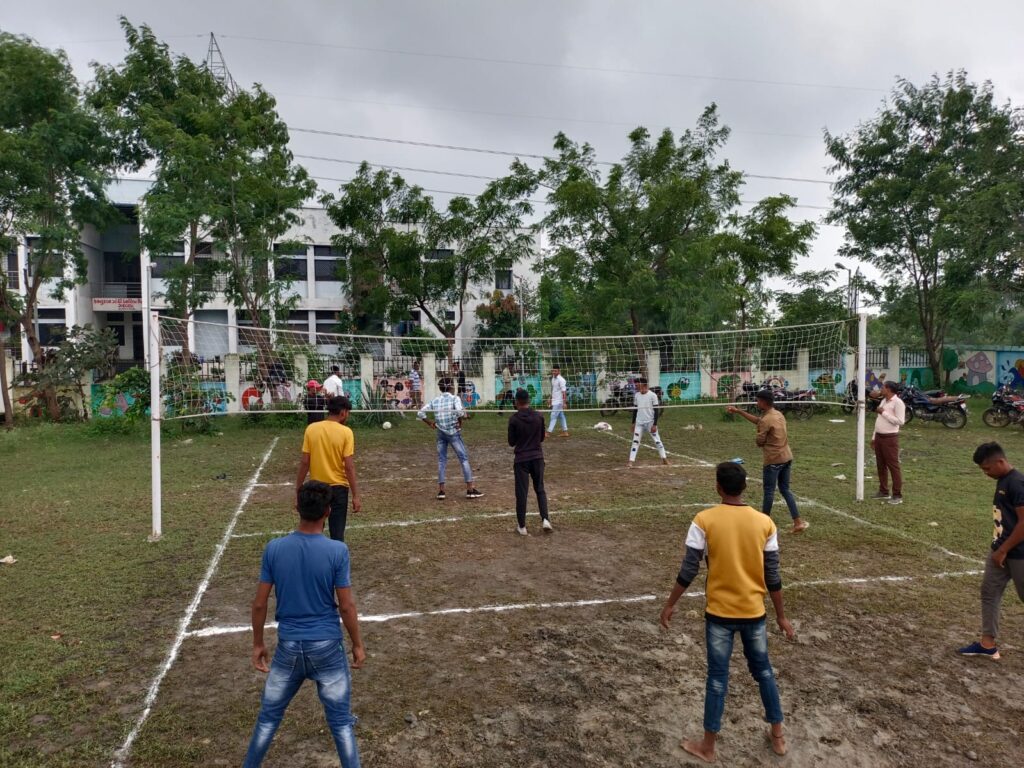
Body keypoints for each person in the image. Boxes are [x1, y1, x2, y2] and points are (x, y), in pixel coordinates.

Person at [659, 462, 795, 763]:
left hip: (719, 615)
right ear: (745, 487)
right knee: (764, 671)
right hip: (754, 613)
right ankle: (777, 735)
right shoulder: (765, 523)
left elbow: (689, 569)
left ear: (718, 488)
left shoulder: (704, 520)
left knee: (717, 678)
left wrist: (670, 604)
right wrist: (781, 616)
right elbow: (773, 576)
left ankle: (708, 747)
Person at [243, 480, 365, 768]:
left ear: (297, 507)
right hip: (327, 648)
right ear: (328, 511)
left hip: (288, 648)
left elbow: (259, 603)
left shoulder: (274, 548)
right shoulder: (337, 551)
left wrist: (258, 643)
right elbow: (346, 606)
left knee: (268, 718)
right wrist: (358, 644)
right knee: (341, 723)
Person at [957, 442, 1024, 660]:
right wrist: (999, 549)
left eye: (987, 468)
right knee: (989, 593)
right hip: (1000, 551)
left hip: (1018, 553)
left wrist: (1003, 550)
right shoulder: (1003, 480)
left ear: (1000, 461)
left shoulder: (1017, 483)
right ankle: (987, 645)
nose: (986, 473)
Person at [726, 389, 809, 534]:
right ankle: (798, 522)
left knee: (769, 492)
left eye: (758, 400)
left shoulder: (766, 420)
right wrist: (739, 411)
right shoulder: (778, 414)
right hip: (786, 457)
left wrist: (759, 438)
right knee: (785, 490)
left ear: (763, 402)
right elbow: (759, 421)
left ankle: (763, 524)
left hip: (773, 460)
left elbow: (760, 441)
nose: (756, 403)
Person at [296, 396, 362, 542]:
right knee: (337, 534)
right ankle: (336, 556)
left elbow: (305, 462)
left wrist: (298, 490)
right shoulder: (346, 432)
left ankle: (313, 554)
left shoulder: (311, 429)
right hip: (338, 489)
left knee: (313, 530)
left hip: (317, 488)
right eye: (348, 413)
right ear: (343, 412)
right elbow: (349, 467)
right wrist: (356, 495)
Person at [417, 378, 483, 500]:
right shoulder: (455, 398)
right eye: (453, 384)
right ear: (451, 386)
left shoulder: (435, 400)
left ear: (440, 388)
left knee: (442, 460)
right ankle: (470, 489)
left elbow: (420, 413)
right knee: (463, 459)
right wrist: (462, 417)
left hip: (440, 433)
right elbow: (459, 412)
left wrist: (430, 423)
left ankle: (441, 491)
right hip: (453, 433)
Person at [508, 388, 551, 535]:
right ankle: (545, 519)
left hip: (522, 460)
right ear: (529, 401)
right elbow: (541, 438)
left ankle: (522, 526)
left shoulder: (514, 419)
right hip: (537, 458)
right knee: (540, 488)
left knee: (522, 493)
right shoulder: (539, 416)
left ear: (516, 402)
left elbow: (511, 442)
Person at [872, 380, 906, 504]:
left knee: (893, 466)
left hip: (890, 438)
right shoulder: (883, 401)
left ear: (889, 389)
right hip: (879, 437)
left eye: (883, 387)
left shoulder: (898, 403)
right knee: (880, 465)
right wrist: (874, 437)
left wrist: (884, 412)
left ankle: (897, 495)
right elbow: (879, 419)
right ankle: (883, 491)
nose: (881, 389)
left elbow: (900, 421)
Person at [628, 376, 668, 468]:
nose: (636, 386)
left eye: (637, 385)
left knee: (657, 441)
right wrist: (633, 423)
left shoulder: (653, 395)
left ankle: (664, 459)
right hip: (639, 423)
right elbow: (635, 410)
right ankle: (631, 461)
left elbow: (656, 411)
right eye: (635, 385)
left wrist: (655, 424)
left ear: (643, 385)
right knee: (635, 441)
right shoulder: (637, 395)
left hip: (650, 423)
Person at [548, 364, 569, 437]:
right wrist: (550, 398)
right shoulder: (553, 379)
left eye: (555, 371)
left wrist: (564, 403)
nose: (554, 372)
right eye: (553, 371)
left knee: (553, 416)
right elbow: (553, 390)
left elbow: (564, 392)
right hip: (555, 400)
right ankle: (565, 432)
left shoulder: (561, 380)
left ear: (559, 371)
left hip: (559, 401)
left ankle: (548, 432)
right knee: (561, 416)